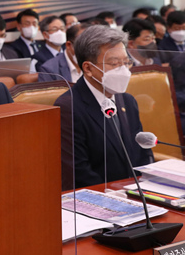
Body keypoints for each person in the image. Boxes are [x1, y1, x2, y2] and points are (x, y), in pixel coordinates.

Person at [53, 26, 153, 190]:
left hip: (135, 192)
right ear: (88, 68)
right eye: (114, 64)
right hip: (98, 195)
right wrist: (113, 194)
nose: (123, 70)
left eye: (126, 62)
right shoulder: (68, 107)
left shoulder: (127, 101)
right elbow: (78, 171)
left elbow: (141, 153)